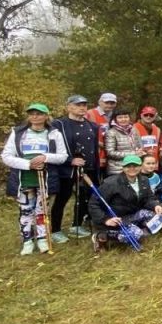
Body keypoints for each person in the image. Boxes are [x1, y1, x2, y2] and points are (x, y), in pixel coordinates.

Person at [1, 103, 69, 255]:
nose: (35, 116)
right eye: (32, 113)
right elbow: (6, 156)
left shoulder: (54, 133)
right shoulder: (18, 132)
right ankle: (27, 241)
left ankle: (43, 239)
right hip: (24, 178)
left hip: (45, 179)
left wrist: (45, 157)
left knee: (42, 211)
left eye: (39, 114)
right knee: (26, 211)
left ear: (46, 116)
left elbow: (62, 157)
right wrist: (28, 164)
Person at [88, 154, 162, 252]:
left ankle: (133, 230)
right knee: (137, 234)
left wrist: (156, 205)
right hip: (116, 219)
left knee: (157, 217)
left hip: (132, 215)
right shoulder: (111, 183)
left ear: (140, 166)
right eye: (128, 166)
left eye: (135, 166)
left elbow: (148, 198)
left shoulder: (144, 180)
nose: (132, 168)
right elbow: (93, 204)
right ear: (123, 167)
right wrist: (106, 219)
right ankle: (101, 236)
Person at [50, 94, 99, 241]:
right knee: (62, 198)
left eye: (84, 105)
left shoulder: (91, 125)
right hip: (67, 169)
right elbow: (53, 148)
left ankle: (76, 225)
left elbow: (94, 148)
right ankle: (55, 230)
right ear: (69, 107)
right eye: (78, 105)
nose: (82, 107)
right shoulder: (59, 124)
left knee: (85, 197)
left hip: (88, 168)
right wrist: (70, 160)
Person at [104, 108, 143, 175]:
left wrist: (141, 152)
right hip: (118, 169)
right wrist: (133, 154)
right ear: (115, 119)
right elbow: (110, 153)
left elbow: (140, 145)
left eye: (126, 117)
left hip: (134, 166)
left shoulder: (134, 130)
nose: (123, 119)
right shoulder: (111, 133)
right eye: (120, 117)